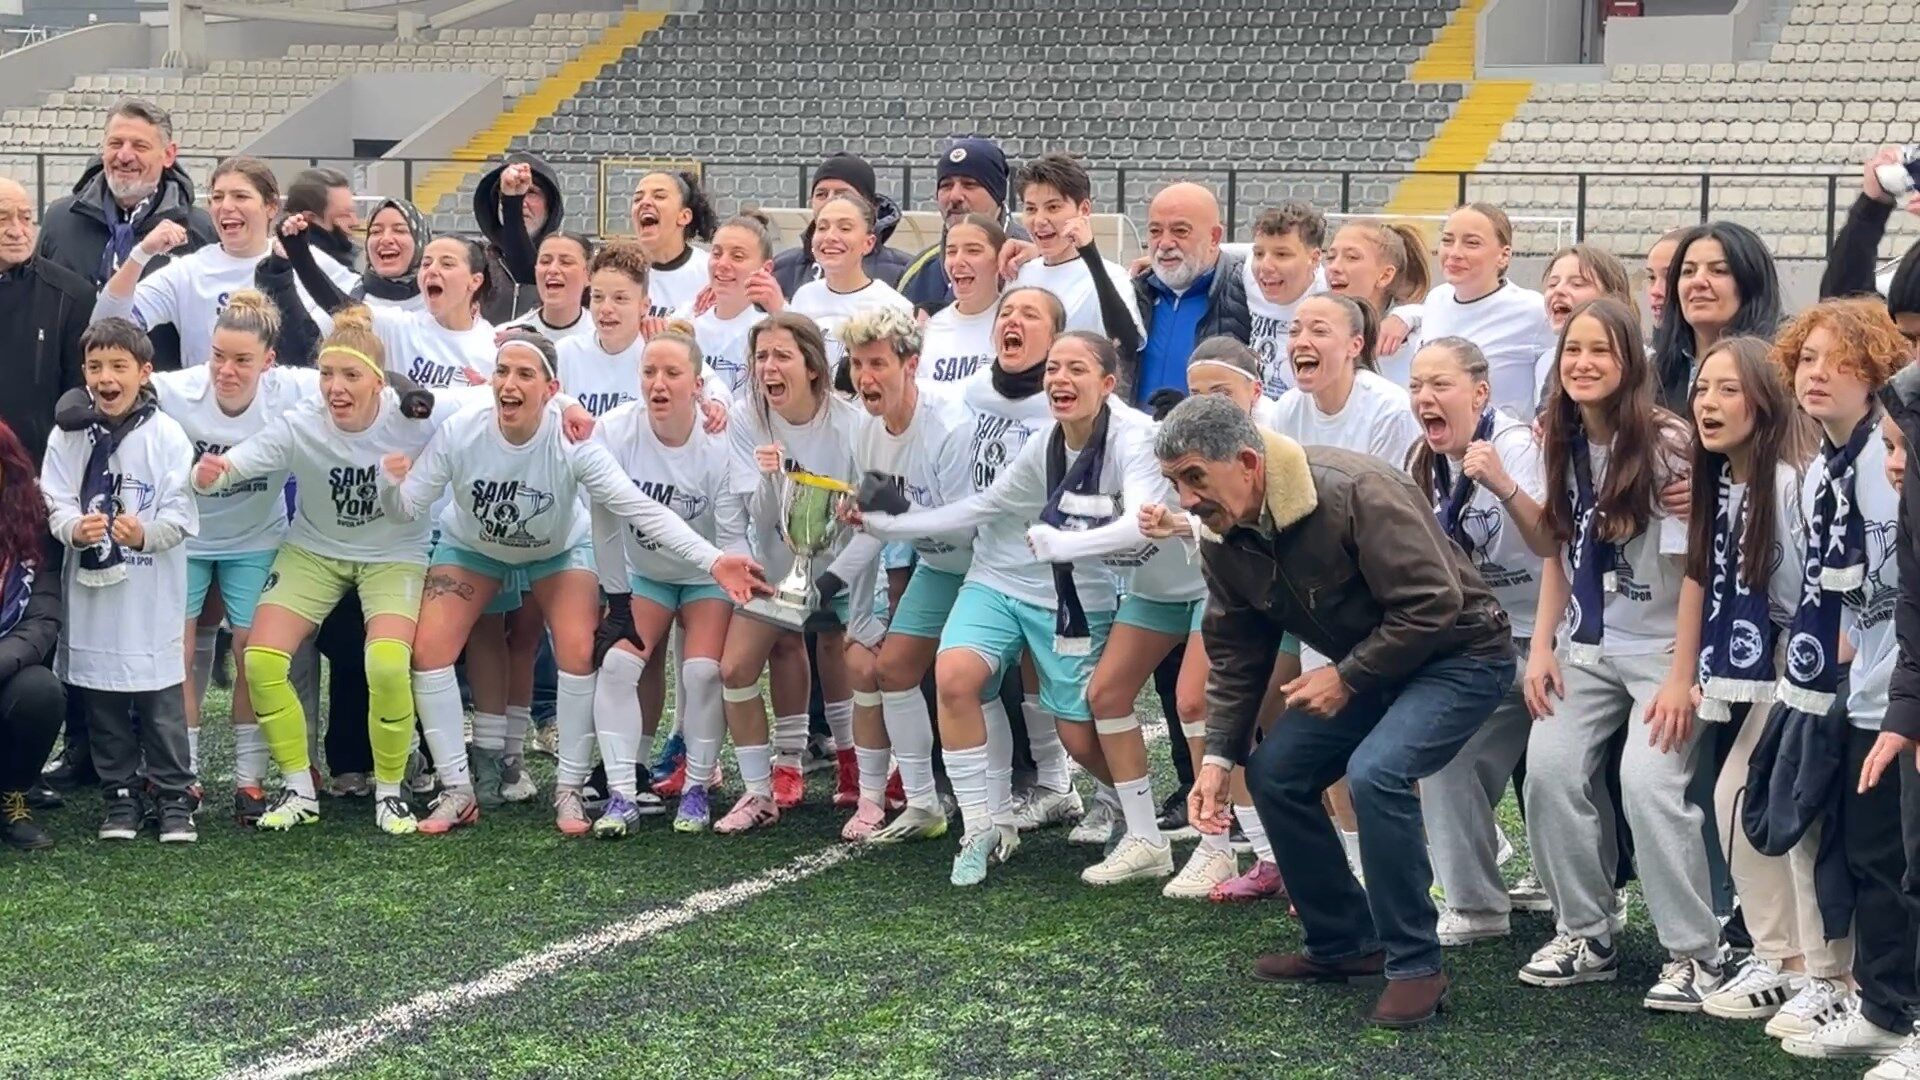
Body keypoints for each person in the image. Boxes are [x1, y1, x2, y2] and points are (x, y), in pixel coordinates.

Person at [1162, 392, 1515, 1029]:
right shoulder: (1221, 530)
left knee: (1377, 774)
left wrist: (1347, 677)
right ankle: (1344, 944)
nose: (1185, 499)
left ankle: (1416, 966)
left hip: (1462, 655)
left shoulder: (1357, 489)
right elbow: (1237, 652)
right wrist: (1216, 758)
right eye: (1174, 482)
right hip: (1375, 665)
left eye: (1194, 477)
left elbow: (1433, 604)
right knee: (1274, 773)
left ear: (1247, 462)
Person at [381, 331, 762, 837]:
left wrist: (714, 561)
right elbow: (407, 505)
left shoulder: (574, 442)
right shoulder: (462, 426)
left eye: (525, 375)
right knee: (428, 650)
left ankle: (570, 788)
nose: (509, 384)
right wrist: (390, 486)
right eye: (502, 372)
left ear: (551, 388)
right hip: (473, 548)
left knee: (582, 652)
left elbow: (638, 507)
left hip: (557, 550)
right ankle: (457, 789)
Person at [861, 332, 1164, 886]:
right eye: (1054, 369)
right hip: (996, 579)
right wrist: (891, 525)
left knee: (1080, 736)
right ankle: (982, 827)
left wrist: (1065, 545)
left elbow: (1139, 522)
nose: (1060, 379)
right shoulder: (1044, 440)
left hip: (1074, 596)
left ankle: (1132, 815)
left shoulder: (1134, 437)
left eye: (1076, 369)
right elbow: (986, 505)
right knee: (955, 676)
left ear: (1107, 383)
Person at [190, 307, 492, 835]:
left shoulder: (415, 415)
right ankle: (299, 789)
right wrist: (211, 473)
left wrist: (566, 410)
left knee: (387, 664)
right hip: (313, 551)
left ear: (379, 382)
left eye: (350, 375)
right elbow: (237, 463)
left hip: (394, 554)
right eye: (327, 374)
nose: (335, 387)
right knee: (260, 660)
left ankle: (391, 793)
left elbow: (491, 398)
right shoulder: (302, 422)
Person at [1521, 297, 1723, 1009]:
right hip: (1587, 642)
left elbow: (1697, 569)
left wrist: (1680, 677)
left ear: (1630, 362)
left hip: (1665, 648)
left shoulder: (1669, 444)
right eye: (1573, 350)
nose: (1583, 363)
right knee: (1548, 774)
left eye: (1601, 350)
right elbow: (1558, 549)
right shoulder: (1559, 435)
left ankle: (1696, 953)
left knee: (1646, 784)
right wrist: (1542, 646)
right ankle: (1588, 932)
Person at [1677, 336, 1850, 1028]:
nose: (1708, 403)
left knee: (1787, 810)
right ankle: (1786, 959)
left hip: (1823, 667)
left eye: (1728, 390)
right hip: (1782, 662)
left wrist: (1815, 678)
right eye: (1701, 389)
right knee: (1738, 798)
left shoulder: (1791, 482)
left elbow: (1832, 593)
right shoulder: (1728, 483)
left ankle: (1825, 973)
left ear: (1766, 401)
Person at [1779, 299, 1913, 1062]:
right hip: (1863, 693)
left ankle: (1896, 1009)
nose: (1819, 374)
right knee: (1872, 857)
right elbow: (1838, 606)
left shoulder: (1891, 459)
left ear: (1879, 374)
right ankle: (1884, 1007)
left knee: (1896, 863)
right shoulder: (1816, 477)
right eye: (1808, 359)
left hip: (1906, 694)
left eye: (1843, 361)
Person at [148, 291, 320, 825]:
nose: (226, 370)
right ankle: (184, 778)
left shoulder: (292, 389)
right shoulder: (179, 390)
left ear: (269, 362)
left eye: (242, 360)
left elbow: (359, 377)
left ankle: (250, 781)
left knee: (252, 653)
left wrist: (413, 398)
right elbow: (114, 388)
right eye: (218, 356)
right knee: (177, 652)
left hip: (256, 538)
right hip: (187, 537)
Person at [1404, 337, 1553, 946]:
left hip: (1555, 638)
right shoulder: (1424, 459)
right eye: (1416, 385)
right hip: (1485, 642)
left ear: (1481, 392)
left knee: (1554, 775)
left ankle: (1591, 908)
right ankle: (1476, 906)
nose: (1425, 397)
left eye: (1440, 384)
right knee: (1442, 756)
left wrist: (1502, 485)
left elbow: (1553, 540)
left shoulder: (1514, 446)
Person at [42, 317, 199, 843]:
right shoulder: (69, 436)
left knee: (160, 701)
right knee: (102, 697)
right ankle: (121, 795)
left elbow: (180, 512)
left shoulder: (167, 435)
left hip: (149, 592)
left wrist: (145, 534)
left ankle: (174, 794)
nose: (106, 377)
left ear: (144, 372)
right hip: (92, 594)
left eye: (118, 366)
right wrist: (73, 528)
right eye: (95, 367)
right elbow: (55, 497)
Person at [592, 329, 751, 833]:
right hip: (647, 574)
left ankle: (697, 787)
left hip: (707, 577)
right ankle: (622, 792)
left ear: (698, 385)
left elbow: (731, 532)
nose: (658, 384)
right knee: (617, 665)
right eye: (648, 372)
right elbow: (604, 523)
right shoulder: (614, 431)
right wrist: (616, 596)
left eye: (672, 373)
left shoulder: (720, 442)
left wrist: (738, 582)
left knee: (702, 672)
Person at [713, 312, 866, 832]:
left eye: (782, 356)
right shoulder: (746, 418)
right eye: (761, 357)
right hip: (778, 567)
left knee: (836, 646)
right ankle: (763, 787)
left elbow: (881, 498)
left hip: (843, 566)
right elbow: (750, 514)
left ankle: (852, 760)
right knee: (735, 668)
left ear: (813, 367)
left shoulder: (851, 421)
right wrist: (768, 479)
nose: (769, 368)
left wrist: (856, 518)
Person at [826, 307, 971, 840]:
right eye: (857, 363)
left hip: (989, 568)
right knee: (892, 670)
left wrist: (886, 514)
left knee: (974, 684)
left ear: (911, 365)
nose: (865, 376)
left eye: (878, 363)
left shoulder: (950, 425)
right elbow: (877, 526)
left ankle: (1033, 794)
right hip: (939, 565)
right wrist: (834, 592)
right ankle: (923, 805)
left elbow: (963, 527)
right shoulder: (866, 432)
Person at [34, 99, 215, 333]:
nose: (124, 155)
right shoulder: (60, 221)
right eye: (116, 143)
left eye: (140, 146)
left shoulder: (198, 230)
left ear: (168, 155)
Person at [89, 155, 282, 373]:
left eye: (240, 196)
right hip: (209, 394)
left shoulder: (302, 262)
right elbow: (104, 328)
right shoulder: (189, 271)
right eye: (217, 197)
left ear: (271, 206)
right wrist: (141, 254)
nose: (226, 206)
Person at [281, 219, 496, 389]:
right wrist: (298, 252)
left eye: (447, 264)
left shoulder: (493, 346)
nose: (432, 270)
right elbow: (337, 304)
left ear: (475, 281)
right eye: (426, 263)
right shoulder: (400, 328)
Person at [1411, 204, 1554, 417]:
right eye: (1447, 240)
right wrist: (1403, 316)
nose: (1455, 253)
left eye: (1472, 243)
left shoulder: (1534, 311)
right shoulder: (1436, 299)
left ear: (1504, 255)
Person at [258, 196, 430, 367]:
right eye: (376, 231)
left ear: (420, 240)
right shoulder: (346, 293)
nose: (386, 239)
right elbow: (300, 354)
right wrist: (287, 258)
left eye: (399, 230)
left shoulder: (437, 305)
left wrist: (300, 255)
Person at [1008, 154, 1145, 364]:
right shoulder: (1020, 273)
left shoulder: (1113, 275)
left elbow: (1126, 343)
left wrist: (1090, 253)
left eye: (1053, 207)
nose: (1040, 220)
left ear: (1084, 209)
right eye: (1031, 209)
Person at [0, 419, 66, 851]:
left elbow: (42, 620)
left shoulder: (32, 528)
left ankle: (13, 797)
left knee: (40, 691)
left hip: (6, 664)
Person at [0, 177, 97, 463]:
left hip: (37, 467)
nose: (17, 231)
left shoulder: (71, 295)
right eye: (3, 219)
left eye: (25, 218)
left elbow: (78, 391)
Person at [1130, 182, 1250, 405]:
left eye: (1180, 231)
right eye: (1155, 231)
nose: (1165, 243)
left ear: (1214, 237)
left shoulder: (1248, 294)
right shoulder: (1132, 294)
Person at [1268, 294, 1422, 462]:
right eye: (1294, 332)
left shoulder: (1390, 410)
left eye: (1319, 331)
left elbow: (1392, 480)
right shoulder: (1287, 408)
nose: (1300, 342)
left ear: (1355, 346)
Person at [1650, 221, 1783, 414]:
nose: (1698, 281)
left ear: (1750, 283)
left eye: (1718, 270)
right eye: (1688, 271)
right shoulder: (1654, 373)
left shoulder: (1780, 372)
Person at [787, 193, 915, 375]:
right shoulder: (803, 296)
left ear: (868, 243)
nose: (830, 236)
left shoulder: (894, 307)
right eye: (822, 227)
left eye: (845, 228)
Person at [897, 136, 1022, 315]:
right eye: (946, 186)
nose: (955, 196)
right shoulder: (919, 273)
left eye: (969, 185)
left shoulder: (1034, 261)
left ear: (997, 195)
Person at [771, 152, 913, 295]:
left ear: (869, 203)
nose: (830, 200)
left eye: (843, 194)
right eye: (821, 194)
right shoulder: (782, 269)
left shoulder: (904, 271)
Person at [1324, 219, 1431, 387]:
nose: (1334, 267)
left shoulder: (1415, 343)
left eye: (1352, 257)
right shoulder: (1313, 326)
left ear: (1385, 275)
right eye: (1330, 257)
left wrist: (1411, 315)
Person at [689, 211, 783, 395]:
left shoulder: (769, 330)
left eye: (737, 256)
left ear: (766, 269)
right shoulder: (688, 323)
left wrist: (781, 311)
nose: (722, 264)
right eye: (716, 254)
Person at [1241, 201, 1329, 397]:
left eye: (1281, 254)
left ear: (1315, 258)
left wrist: (1400, 316)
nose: (1266, 266)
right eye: (1259, 253)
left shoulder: (1330, 292)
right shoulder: (1247, 271)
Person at [1532, 244, 1633, 402]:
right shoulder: (1546, 362)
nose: (1558, 290)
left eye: (1577, 284)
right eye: (1552, 284)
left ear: (1612, 296)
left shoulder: (1647, 361)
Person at [472, 154, 563, 324]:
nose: (522, 202)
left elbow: (527, 272)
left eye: (531, 193)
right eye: (505, 194)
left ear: (550, 206)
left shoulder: (569, 262)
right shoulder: (474, 259)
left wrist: (512, 203)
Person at [917, 214, 1006, 388]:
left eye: (973, 251)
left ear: (999, 259)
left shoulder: (1013, 324)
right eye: (951, 252)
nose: (958, 261)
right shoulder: (930, 328)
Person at [629, 170, 717, 316]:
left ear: (684, 216)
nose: (644, 202)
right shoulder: (620, 272)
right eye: (637, 199)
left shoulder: (711, 271)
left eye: (659, 196)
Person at [504, 232, 594, 343]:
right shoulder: (508, 337)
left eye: (566, 262)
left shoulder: (603, 336)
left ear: (589, 275)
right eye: (545, 262)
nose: (552, 269)